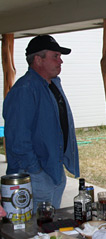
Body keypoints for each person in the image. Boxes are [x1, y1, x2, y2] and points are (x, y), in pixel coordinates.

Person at [3, 35, 80, 212]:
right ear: (38, 59)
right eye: (56, 56)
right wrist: (36, 171)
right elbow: (18, 139)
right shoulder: (25, 90)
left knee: (49, 227)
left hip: (54, 169)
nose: (60, 61)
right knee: (34, 232)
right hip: (34, 174)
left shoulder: (52, 85)